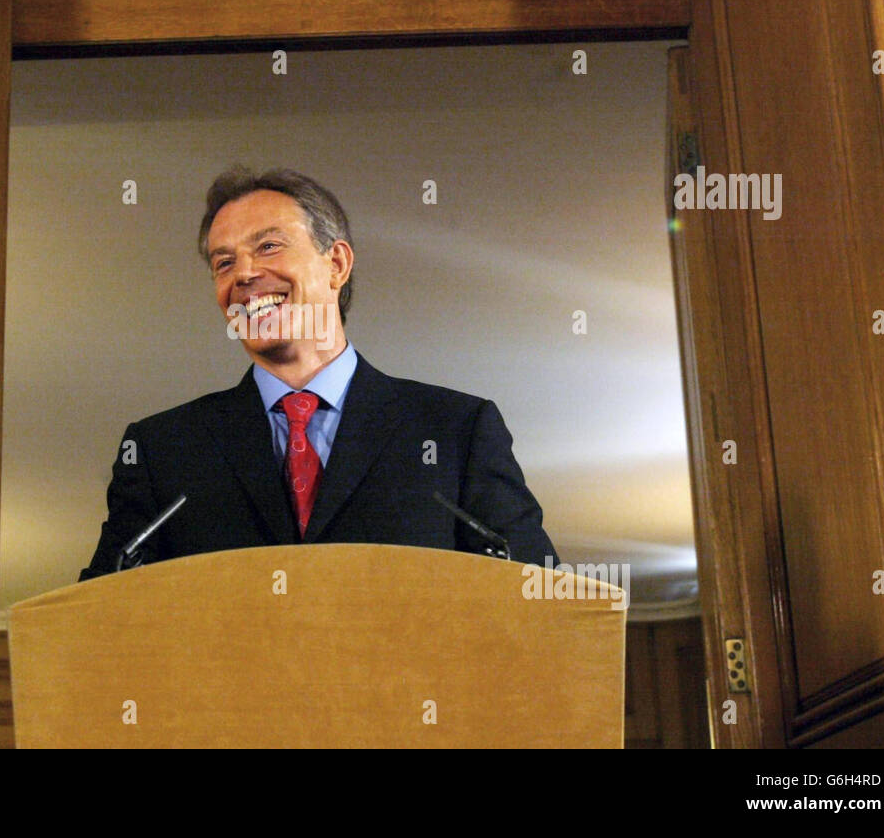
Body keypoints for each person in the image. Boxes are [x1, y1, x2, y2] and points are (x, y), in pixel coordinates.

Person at [79, 166, 558, 580]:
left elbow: (538, 596)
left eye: (268, 246)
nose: (243, 274)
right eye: (224, 263)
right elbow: (97, 613)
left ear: (337, 264)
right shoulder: (163, 451)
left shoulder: (456, 431)